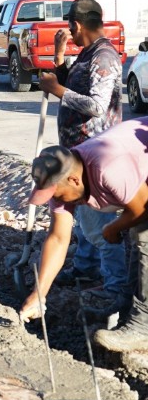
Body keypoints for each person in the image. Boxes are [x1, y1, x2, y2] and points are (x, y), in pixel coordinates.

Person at [19, 117, 148, 352]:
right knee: (133, 237)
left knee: (143, 235)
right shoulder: (63, 180)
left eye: (56, 194)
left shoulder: (108, 167)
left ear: (74, 180)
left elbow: (143, 209)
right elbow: (58, 237)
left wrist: (112, 227)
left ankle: (143, 326)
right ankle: (127, 306)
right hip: (137, 176)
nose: (55, 201)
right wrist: (39, 294)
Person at [37, 0, 128, 320]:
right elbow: (72, 85)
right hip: (78, 152)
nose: (70, 34)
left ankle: (116, 286)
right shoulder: (88, 54)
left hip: (95, 157)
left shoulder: (103, 57)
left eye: (70, 29)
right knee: (83, 219)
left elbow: (96, 105)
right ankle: (84, 267)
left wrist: (58, 91)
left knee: (101, 225)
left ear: (77, 25)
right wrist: (61, 61)